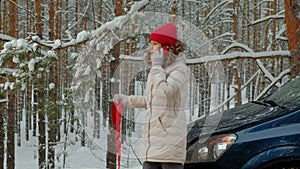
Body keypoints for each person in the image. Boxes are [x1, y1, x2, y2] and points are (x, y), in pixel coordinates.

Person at [113, 22, 188, 169]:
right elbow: (153, 100)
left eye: (154, 44)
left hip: (170, 142)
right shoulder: (158, 69)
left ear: (166, 47)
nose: (150, 48)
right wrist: (128, 100)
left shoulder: (179, 69)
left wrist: (156, 67)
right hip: (152, 143)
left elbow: (165, 91)